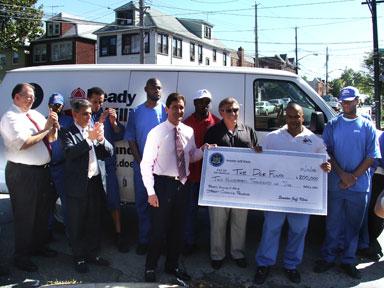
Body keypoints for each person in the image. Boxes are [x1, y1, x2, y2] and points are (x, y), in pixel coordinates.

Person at [254, 103, 331, 285]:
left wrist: (327, 166)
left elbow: (325, 160)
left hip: (301, 198)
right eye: (290, 116)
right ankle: (264, 264)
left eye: (297, 116)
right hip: (275, 196)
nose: (294, 120)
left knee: (299, 230)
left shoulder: (315, 140)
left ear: (303, 117)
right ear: (285, 118)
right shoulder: (272, 138)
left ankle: (291, 265)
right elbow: (260, 159)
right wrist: (256, 152)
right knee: (271, 228)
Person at [140, 92, 212, 283]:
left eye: (181, 107)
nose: (178, 111)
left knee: (178, 230)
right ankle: (150, 267)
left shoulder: (188, 131)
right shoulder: (156, 132)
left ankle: (172, 265)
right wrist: (151, 192)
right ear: (167, 109)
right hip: (162, 186)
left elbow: (191, 156)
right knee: (158, 230)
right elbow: (145, 164)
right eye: (174, 107)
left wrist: (203, 151)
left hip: (182, 186)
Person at [314, 86, 380, 279]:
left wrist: (353, 178)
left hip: (359, 187)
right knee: (333, 224)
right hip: (336, 183)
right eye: (343, 101)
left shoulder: (367, 126)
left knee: (353, 226)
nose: (346, 104)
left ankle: (348, 261)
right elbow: (327, 152)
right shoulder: (333, 125)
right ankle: (328, 257)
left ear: (357, 101)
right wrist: (343, 175)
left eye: (349, 101)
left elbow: (371, 156)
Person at [0, 83, 59, 272]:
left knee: (42, 213)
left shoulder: (34, 114)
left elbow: (51, 139)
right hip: (22, 173)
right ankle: (22, 257)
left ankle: (38, 247)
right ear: (16, 97)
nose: (32, 99)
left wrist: (53, 127)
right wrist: (45, 129)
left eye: (33, 96)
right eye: (27, 96)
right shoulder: (10, 117)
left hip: (42, 171)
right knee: (25, 216)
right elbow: (24, 143)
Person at [60, 99, 114, 273]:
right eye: (84, 113)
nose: (88, 116)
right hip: (77, 185)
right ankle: (79, 257)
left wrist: (101, 139)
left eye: (90, 113)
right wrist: (88, 140)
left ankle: (93, 254)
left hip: (94, 183)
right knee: (77, 223)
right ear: (75, 114)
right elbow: (69, 153)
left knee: (94, 221)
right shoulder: (68, 132)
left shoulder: (92, 131)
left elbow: (108, 152)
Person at [204, 97, 258, 270]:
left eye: (235, 109)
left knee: (239, 223)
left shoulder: (248, 131)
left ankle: (237, 253)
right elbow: (206, 158)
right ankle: (217, 255)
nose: (233, 113)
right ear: (221, 112)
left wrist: (259, 151)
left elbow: (257, 153)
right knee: (218, 223)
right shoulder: (213, 131)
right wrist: (207, 149)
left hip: (242, 188)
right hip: (219, 188)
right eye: (229, 110)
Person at [125, 78, 167, 255]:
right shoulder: (136, 112)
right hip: (142, 167)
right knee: (142, 205)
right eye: (153, 87)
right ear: (145, 88)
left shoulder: (166, 110)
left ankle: (159, 242)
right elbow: (131, 138)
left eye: (159, 87)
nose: (156, 90)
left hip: (162, 168)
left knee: (161, 206)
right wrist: (142, 162)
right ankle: (144, 240)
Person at [87, 87, 128, 253]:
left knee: (114, 200)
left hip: (108, 165)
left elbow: (120, 135)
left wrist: (114, 122)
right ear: (89, 100)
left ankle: (119, 235)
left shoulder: (107, 116)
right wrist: (102, 121)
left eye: (101, 102)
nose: (98, 105)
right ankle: (92, 239)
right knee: (92, 204)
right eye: (95, 101)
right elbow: (88, 136)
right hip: (91, 166)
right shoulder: (86, 116)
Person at [183, 89, 220, 254]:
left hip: (212, 178)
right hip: (191, 176)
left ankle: (213, 247)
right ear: (194, 104)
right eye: (200, 102)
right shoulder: (186, 123)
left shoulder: (218, 123)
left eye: (207, 102)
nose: (204, 105)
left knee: (215, 216)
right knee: (189, 212)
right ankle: (188, 243)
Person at [47, 93, 73, 235]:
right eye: (52, 105)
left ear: (63, 106)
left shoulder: (68, 121)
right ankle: (48, 231)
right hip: (47, 168)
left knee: (66, 202)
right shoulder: (43, 120)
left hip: (62, 168)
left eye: (58, 105)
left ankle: (70, 235)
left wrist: (58, 127)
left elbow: (72, 140)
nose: (55, 108)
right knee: (47, 202)